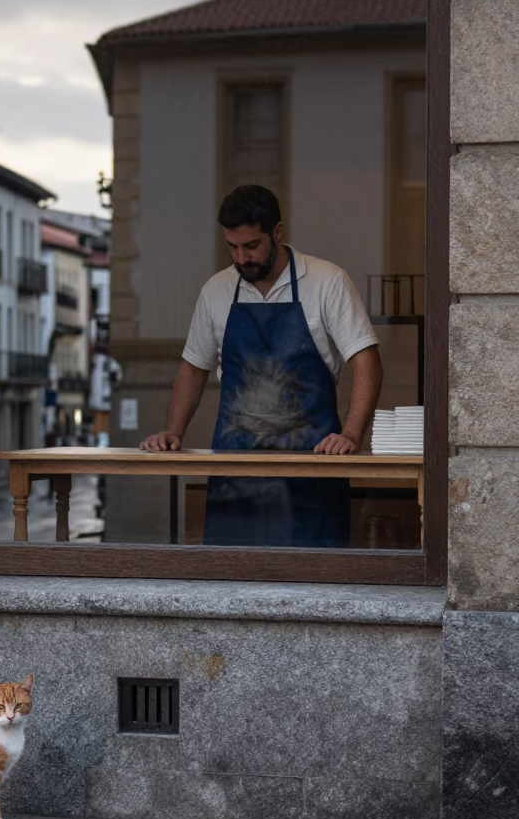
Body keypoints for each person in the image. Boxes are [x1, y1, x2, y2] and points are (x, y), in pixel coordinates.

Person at [140, 184, 383, 547]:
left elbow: (368, 363)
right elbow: (193, 369)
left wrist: (350, 435)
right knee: (230, 585)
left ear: (278, 232)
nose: (241, 258)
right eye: (232, 248)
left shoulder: (326, 281)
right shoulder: (216, 291)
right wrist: (173, 431)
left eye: (251, 246)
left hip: (312, 475)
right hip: (235, 479)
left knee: (316, 587)